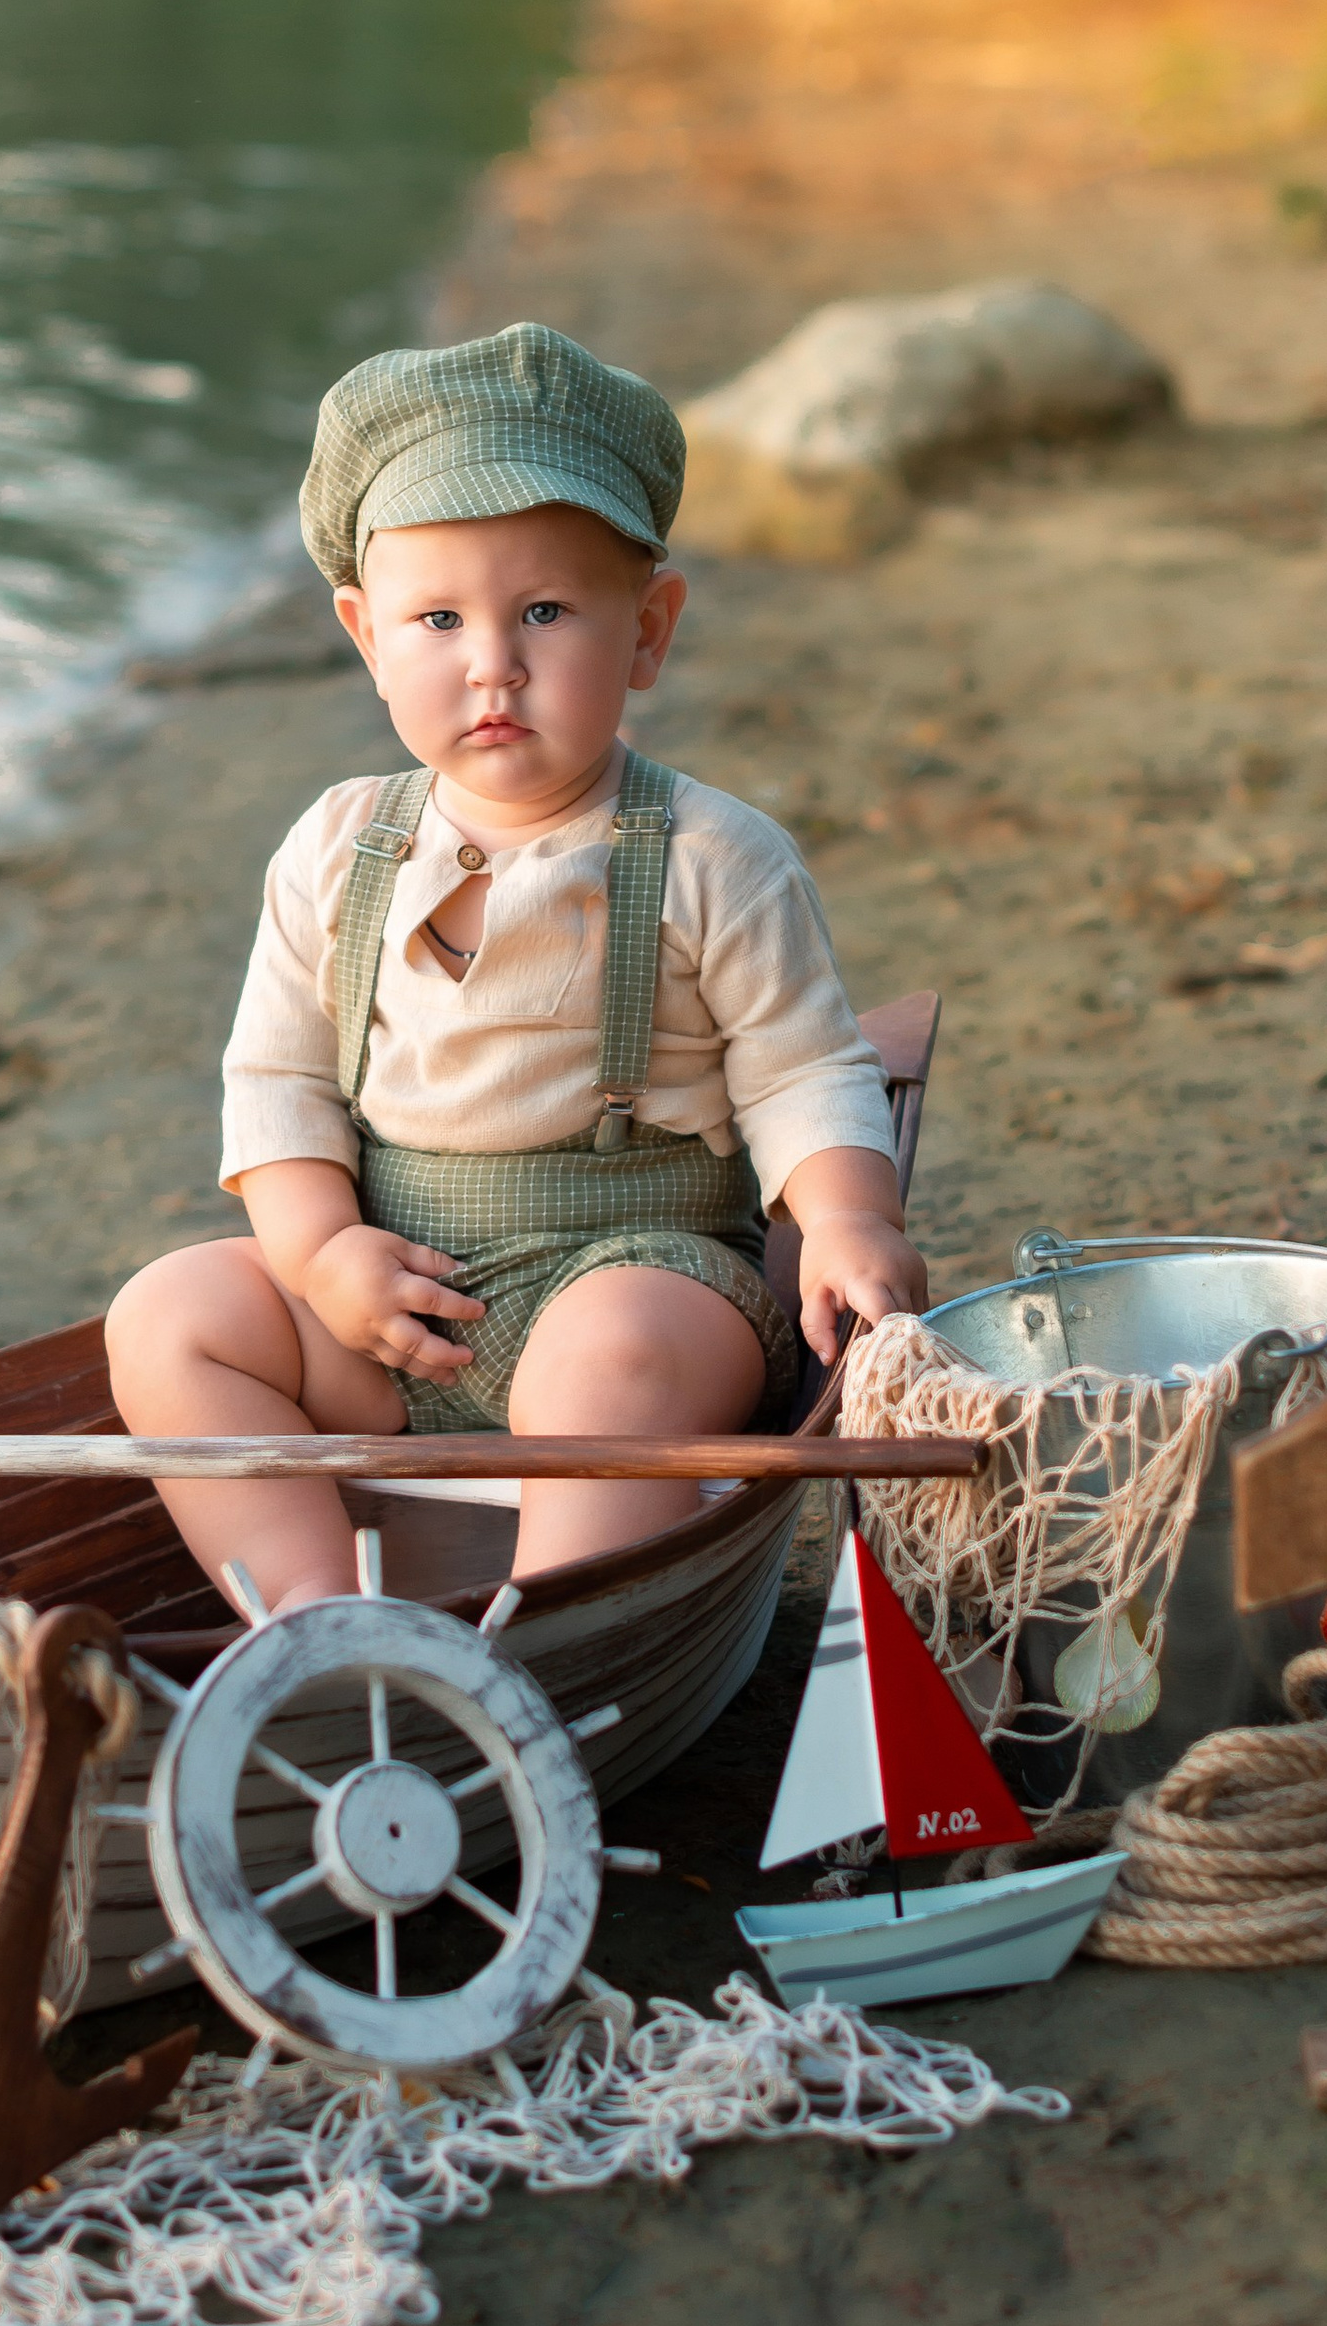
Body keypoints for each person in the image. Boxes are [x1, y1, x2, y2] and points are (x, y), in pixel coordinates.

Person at [105, 322, 926, 1615]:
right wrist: (323, 1261)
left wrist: (844, 1217)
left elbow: (803, 1066)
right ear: (367, 634)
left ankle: (551, 1637)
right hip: (401, 1313)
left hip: (641, 1278)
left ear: (648, 629)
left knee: (606, 1362)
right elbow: (277, 1088)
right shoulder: (338, 847)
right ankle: (321, 1620)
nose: (493, 660)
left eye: (544, 610)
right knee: (171, 1316)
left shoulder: (709, 854)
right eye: (439, 617)